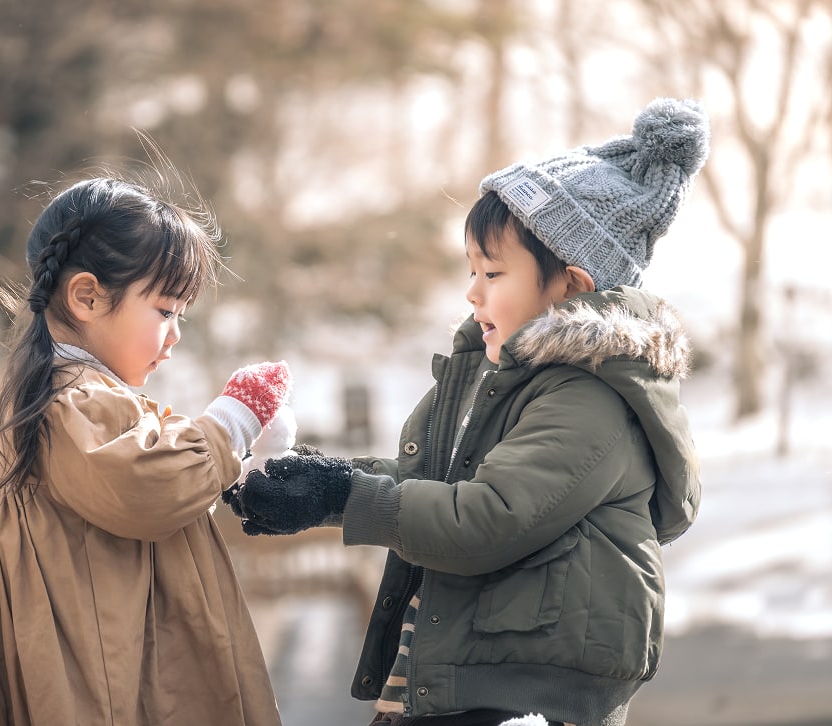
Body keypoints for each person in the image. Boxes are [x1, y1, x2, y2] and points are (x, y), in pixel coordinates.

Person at [232, 97, 708, 726]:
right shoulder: (503, 379)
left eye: (493, 272)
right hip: (469, 675)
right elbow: (436, 482)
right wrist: (329, 485)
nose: (472, 291)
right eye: (471, 270)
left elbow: (486, 518)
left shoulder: (590, 399)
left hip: (525, 694)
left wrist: (348, 497)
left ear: (572, 287)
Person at [0, 174, 290, 725]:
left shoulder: (64, 395)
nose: (175, 335)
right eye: (165, 311)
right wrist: (234, 419)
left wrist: (238, 464)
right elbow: (152, 487)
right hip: (99, 683)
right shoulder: (72, 400)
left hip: (96, 661)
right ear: (87, 297)